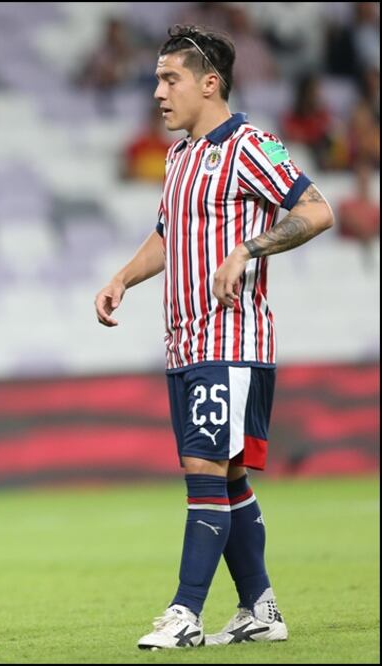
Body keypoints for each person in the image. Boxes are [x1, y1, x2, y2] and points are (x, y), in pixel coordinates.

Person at [94, 25, 334, 650]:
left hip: (232, 341)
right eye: (156, 79)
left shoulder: (252, 144)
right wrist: (124, 275)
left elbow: (316, 210)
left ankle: (185, 613)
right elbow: (169, 235)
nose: (157, 92)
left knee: (204, 468)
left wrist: (248, 248)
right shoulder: (178, 157)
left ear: (209, 83)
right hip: (185, 344)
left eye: (169, 78)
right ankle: (260, 609)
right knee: (226, 478)